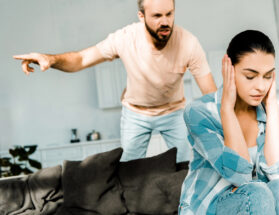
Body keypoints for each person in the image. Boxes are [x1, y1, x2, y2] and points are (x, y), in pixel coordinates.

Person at [13, 0, 217, 162]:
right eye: (156, 15)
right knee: (129, 171)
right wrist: (51, 59)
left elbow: (210, 94)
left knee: (184, 166)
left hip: (174, 112)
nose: (165, 22)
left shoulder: (188, 43)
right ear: (141, 16)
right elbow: (82, 59)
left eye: (169, 14)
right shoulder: (125, 38)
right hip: (135, 114)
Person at [179, 30, 279, 215]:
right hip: (212, 206)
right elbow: (239, 177)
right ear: (228, 68)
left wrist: (271, 105)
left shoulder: (276, 111)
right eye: (250, 76)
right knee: (257, 192)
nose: (261, 86)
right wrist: (227, 110)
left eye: (268, 76)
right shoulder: (200, 112)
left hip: (260, 206)